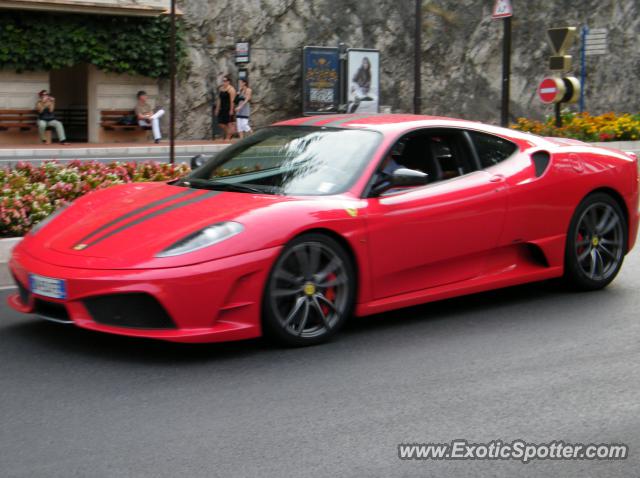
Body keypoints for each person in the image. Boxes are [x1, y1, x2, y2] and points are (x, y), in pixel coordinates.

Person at [215, 75, 236, 140]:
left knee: (229, 124)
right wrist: (217, 109)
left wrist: (231, 110)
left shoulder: (231, 89)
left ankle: (228, 137)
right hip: (222, 109)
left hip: (228, 109)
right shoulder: (221, 89)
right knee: (221, 123)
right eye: (223, 81)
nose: (224, 82)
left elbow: (232, 101)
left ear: (228, 82)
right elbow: (219, 100)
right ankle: (230, 133)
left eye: (225, 81)